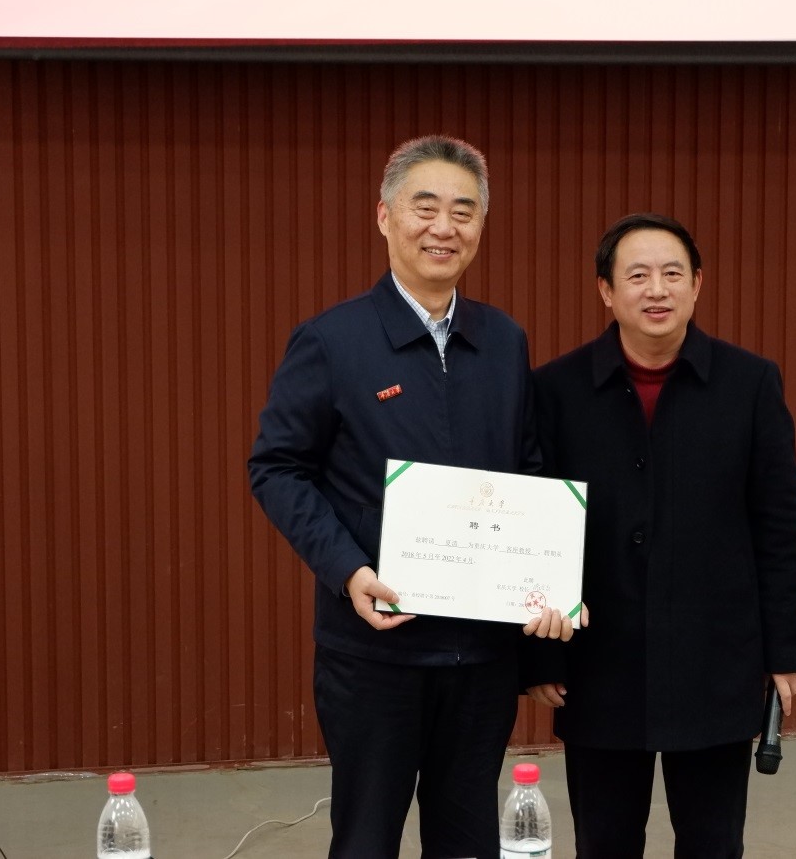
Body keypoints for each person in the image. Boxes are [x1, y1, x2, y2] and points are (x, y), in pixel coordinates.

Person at [248, 135, 579, 859]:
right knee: (366, 839)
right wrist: (348, 570)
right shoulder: (332, 341)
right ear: (384, 217)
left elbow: (527, 474)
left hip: (481, 656)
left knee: (468, 841)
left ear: (481, 226)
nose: (443, 228)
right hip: (375, 652)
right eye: (424, 208)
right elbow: (277, 467)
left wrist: (548, 587)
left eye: (463, 211)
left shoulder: (503, 341)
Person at [523, 212, 796, 858]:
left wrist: (784, 647)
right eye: (637, 275)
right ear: (606, 290)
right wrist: (540, 657)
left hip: (716, 657)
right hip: (598, 663)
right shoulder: (556, 389)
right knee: (604, 842)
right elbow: (536, 523)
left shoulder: (749, 383)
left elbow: (779, 524)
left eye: (672, 273)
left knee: (713, 842)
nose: (657, 289)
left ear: (697, 284)